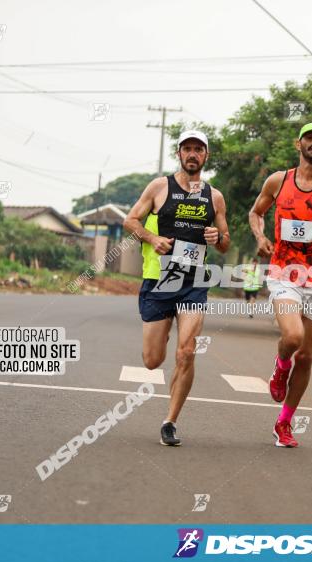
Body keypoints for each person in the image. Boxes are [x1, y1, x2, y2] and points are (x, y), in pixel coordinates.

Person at [248, 122, 312, 447]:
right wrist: (261, 237)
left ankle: (284, 423)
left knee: (307, 357)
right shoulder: (278, 181)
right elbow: (255, 212)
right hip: (284, 274)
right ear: (299, 144)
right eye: (310, 138)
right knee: (292, 337)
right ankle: (280, 368)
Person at [124, 130, 230, 446]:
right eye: (188, 149)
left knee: (186, 351)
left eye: (199, 149)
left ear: (206, 156)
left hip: (193, 282)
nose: (193, 154)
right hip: (159, 279)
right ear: (179, 154)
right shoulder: (159, 187)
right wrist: (151, 237)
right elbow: (131, 220)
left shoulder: (215, 197)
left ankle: (170, 421)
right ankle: (164, 327)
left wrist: (217, 239)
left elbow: (225, 242)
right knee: (153, 360)